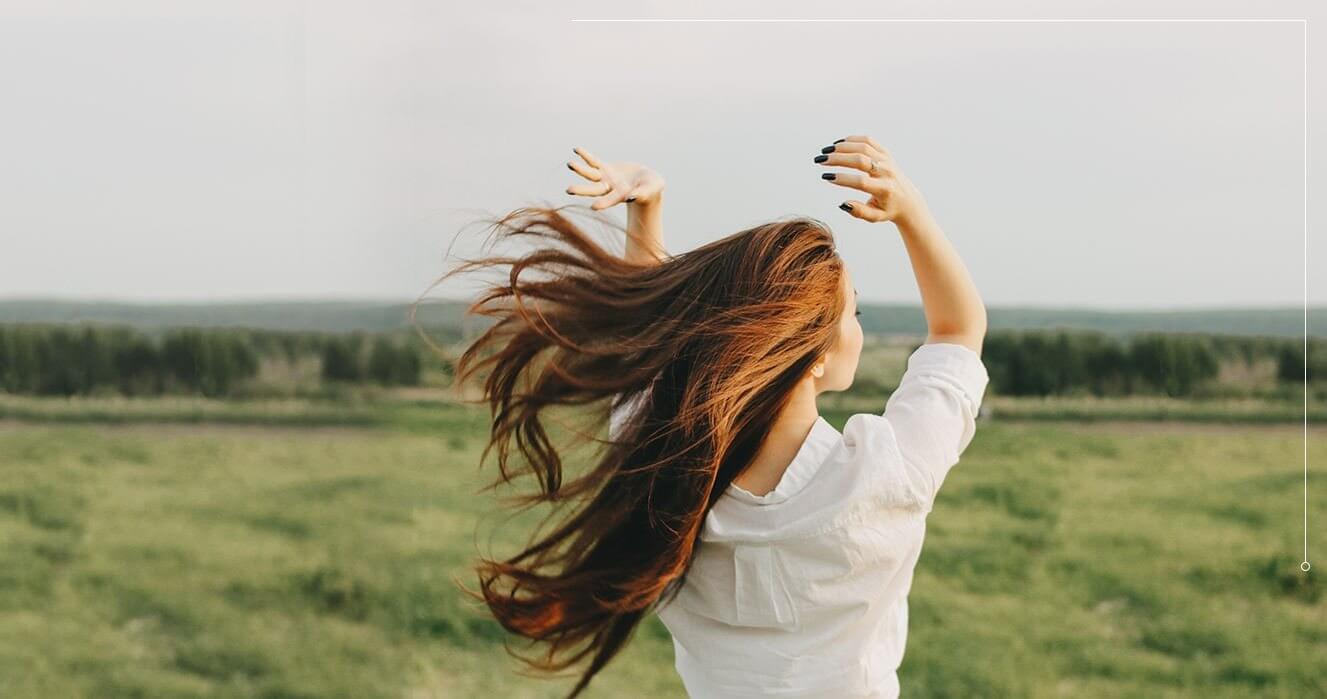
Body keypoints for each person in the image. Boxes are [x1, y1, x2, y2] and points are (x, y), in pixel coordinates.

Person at [444, 135, 990, 699]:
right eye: (853, 312)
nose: (859, 326)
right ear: (815, 353)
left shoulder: (661, 473)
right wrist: (911, 211)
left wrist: (646, 210)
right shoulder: (885, 475)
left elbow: (646, 350)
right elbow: (958, 331)